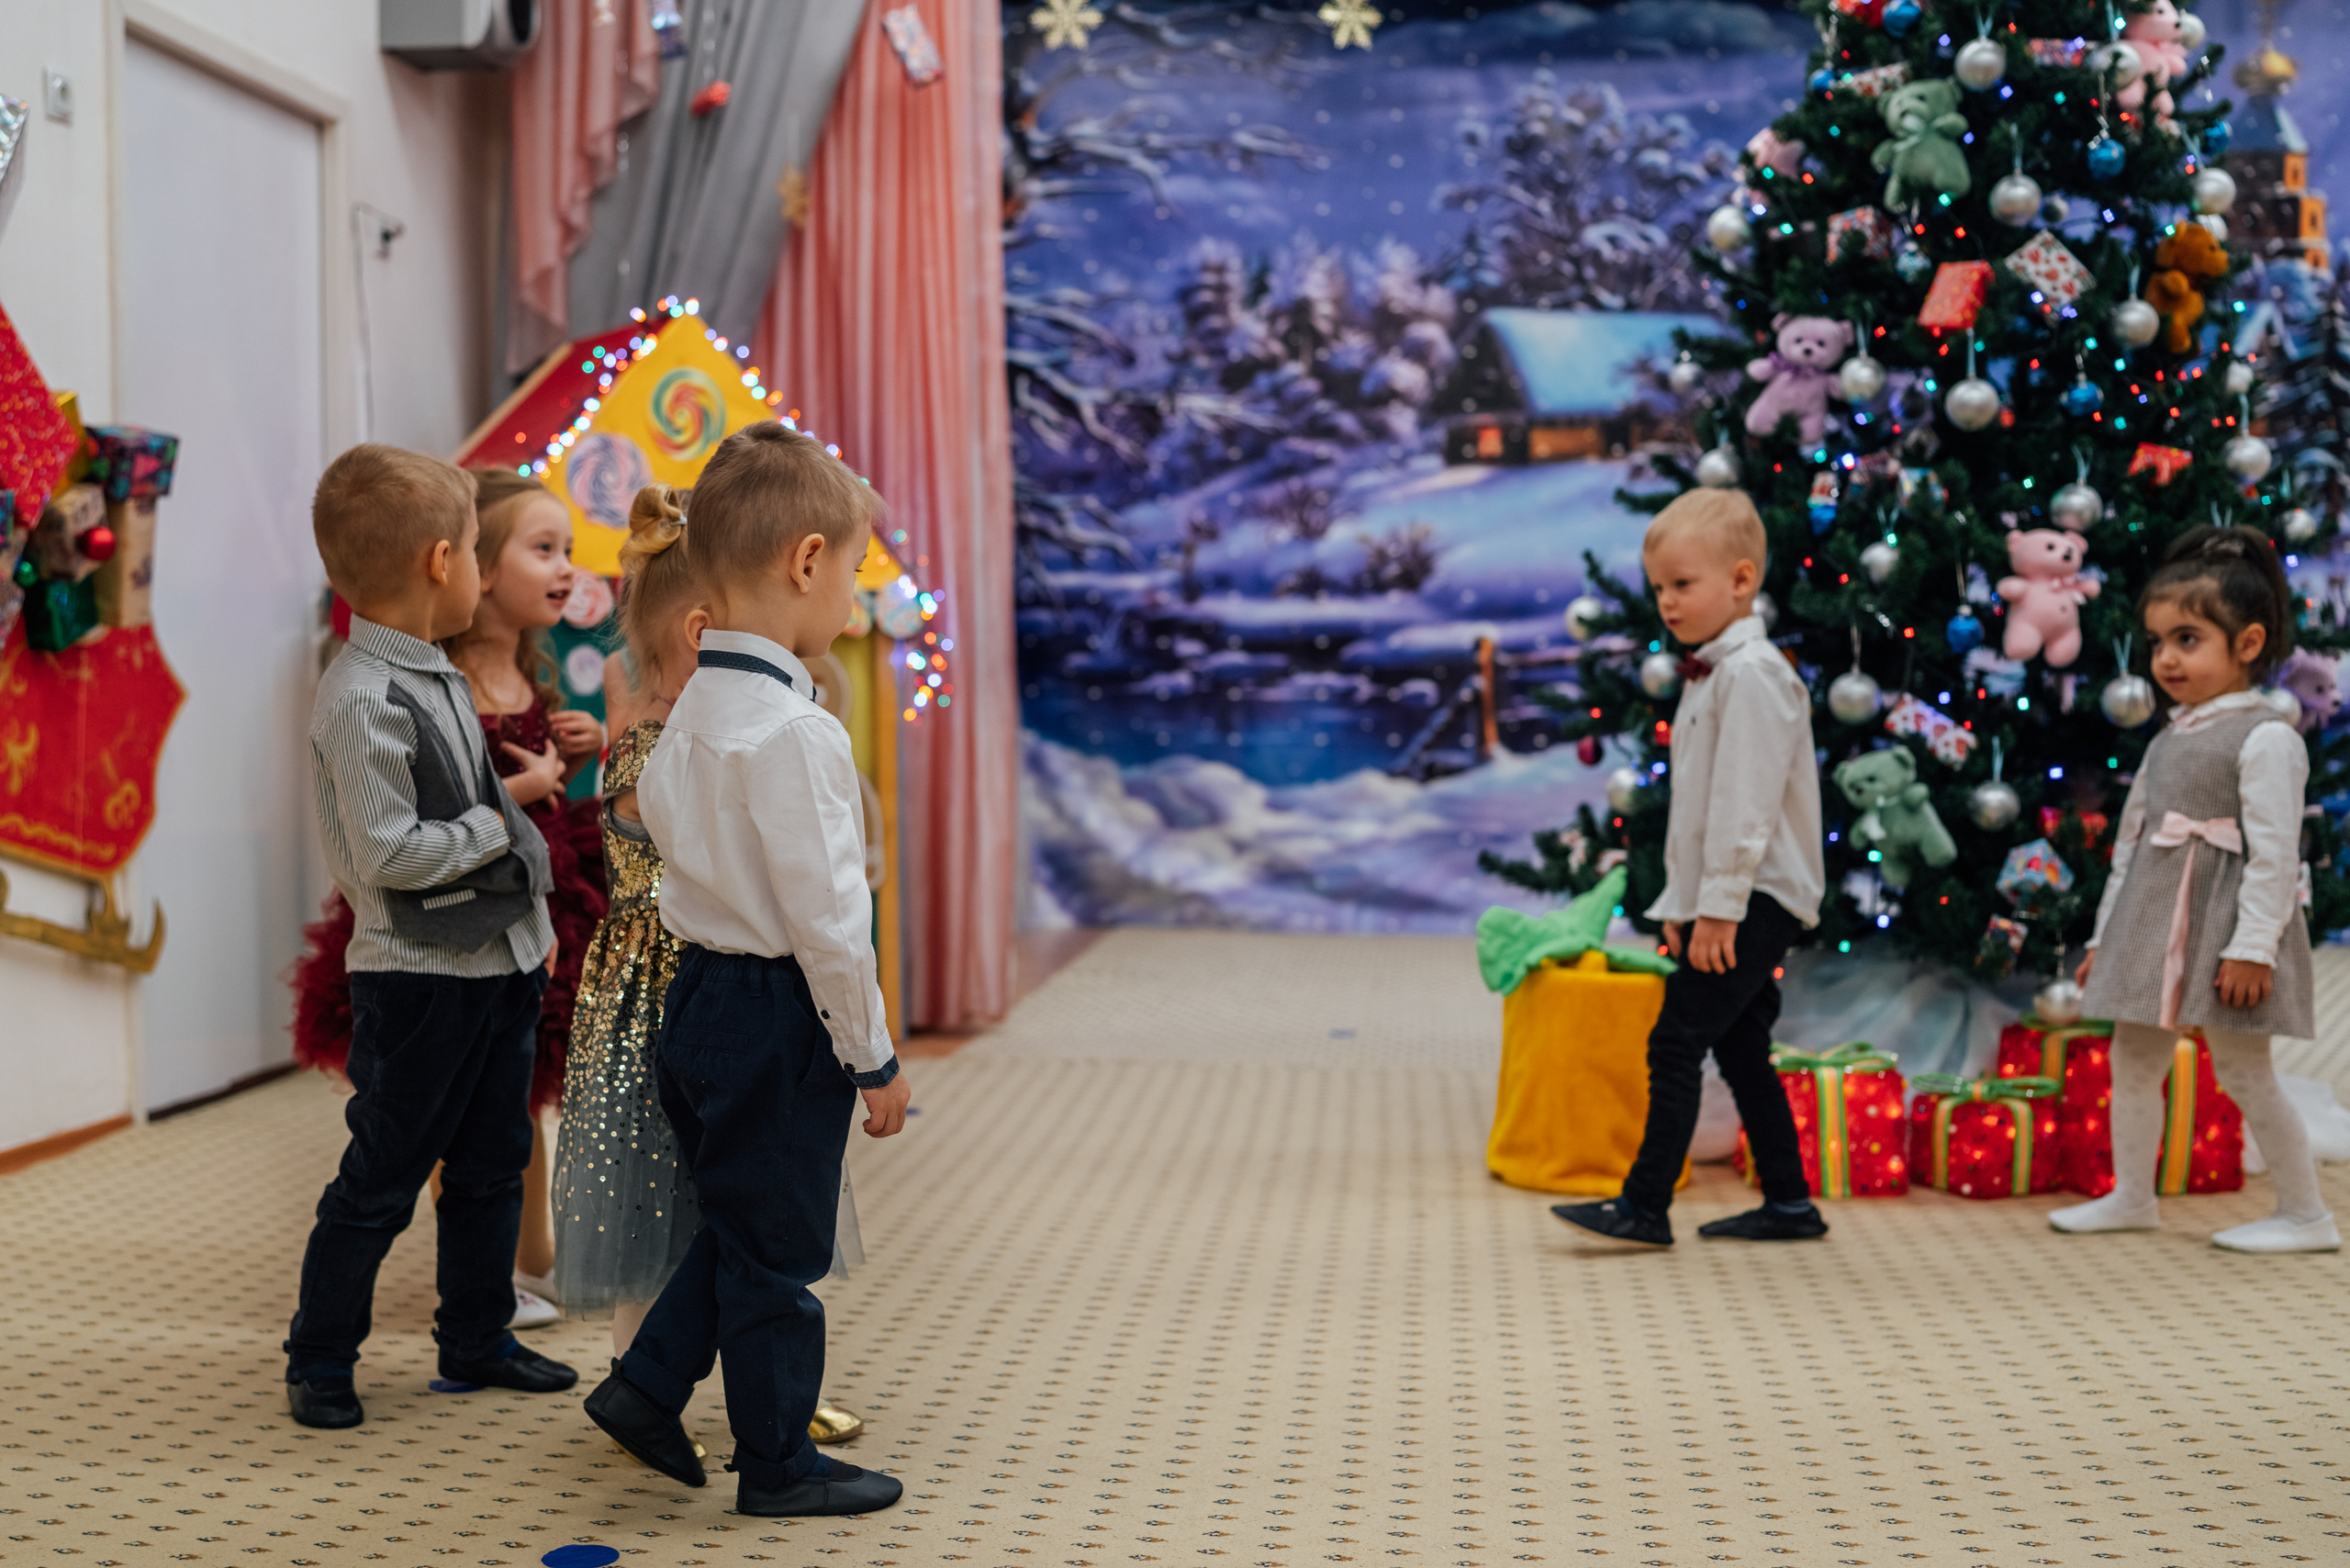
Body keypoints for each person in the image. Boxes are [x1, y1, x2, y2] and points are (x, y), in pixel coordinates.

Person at [580, 424, 910, 1518]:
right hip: (778, 1014)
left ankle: (645, 1386)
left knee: (738, 1222)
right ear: (804, 562)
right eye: (853, 573)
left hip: (698, 997)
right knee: (779, 1259)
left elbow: (675, 845)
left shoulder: (688, 711)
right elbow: (830, 919)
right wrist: (873, 1058)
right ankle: (777, 1465)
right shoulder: (797, 729)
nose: (852, 602)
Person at [284, 445, 577, 1430]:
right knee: (383, 1172)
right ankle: (319, 1357)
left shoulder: (441, 677)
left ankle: (478, 1333)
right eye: (477, 560)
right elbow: (392, 856)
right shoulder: (363, 695)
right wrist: (499, 828)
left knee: (494, 1156)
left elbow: (496, 802)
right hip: (416, 981)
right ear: (441, 562)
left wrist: (528, 924)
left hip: (495, 964)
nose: (483, 577)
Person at [1551, 487, 1828, 1248]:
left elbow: (1746, 808)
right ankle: (1790, 1203)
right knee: (1740, 1049)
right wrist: (1684, 900)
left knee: (1675, 1041)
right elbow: (1697, 814)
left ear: (1741, 581)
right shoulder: (1713, 674)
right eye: (1658, 589)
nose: (1666, 603)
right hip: (1731, 896)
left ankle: (1643, 1207)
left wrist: (1721, 906)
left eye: (1682, 584)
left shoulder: (1754, 676)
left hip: (1757, 895)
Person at [2061, 526, 2333, 1252]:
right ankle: (2131, 1195)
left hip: (2226, 920)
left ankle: (2307, 1214)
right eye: (2156, 643)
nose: (2166, 660)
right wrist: (2104, 939)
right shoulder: (2167, 738)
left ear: (2247, 644)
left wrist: (2254, 948)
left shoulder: (2267, 737)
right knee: (2133, 1055)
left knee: (2245, 1070)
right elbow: (2130, 847)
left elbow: (2275, 855)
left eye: (2187, 639)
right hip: (2156, 914)